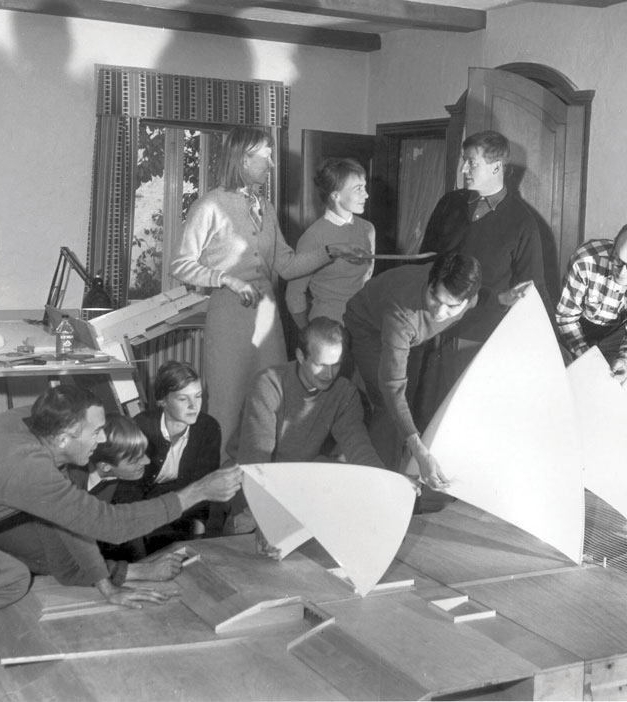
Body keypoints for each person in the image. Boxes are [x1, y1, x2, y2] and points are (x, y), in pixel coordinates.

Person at [170, 127, 368, 459]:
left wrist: (331, 250)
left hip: (267, 317)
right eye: (266, 156)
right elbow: (181, 264)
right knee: (228, 407)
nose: (272, 164)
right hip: (229, 317)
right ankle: (221, 497)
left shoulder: (265, 205)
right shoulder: (210, 205)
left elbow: (287, 266)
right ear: (243, 158)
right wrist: (225, 279)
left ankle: (271, 487)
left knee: (278, 401)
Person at [0, 385, 242, 615]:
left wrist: (107, 587)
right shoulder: (27, 466)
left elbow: (77, 522)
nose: (101, 439)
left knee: (11, 578)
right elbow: (109, 524)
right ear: (64, 438)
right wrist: (198, 491)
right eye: (96, 431)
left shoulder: (36, 424)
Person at [416, 130, 550, 427]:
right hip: (433, 329)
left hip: (478, 339)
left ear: (496, 167)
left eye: (470, 163)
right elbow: (424, 261)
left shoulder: (523, 223)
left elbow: (532, 290)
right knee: (425, 415)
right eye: (464, 161)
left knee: (465, 422)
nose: (463, 169)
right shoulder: (449, 204)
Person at [217, 316, 388, 545]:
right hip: (250, 481)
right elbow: (255, 459)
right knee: (247, 545)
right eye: (320, 364)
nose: (329, 374)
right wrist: (265, 517)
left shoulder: (345, 393)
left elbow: (359, 447)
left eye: (336, 365)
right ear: (300, 356)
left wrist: (389, 486)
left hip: (298, 480)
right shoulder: (268, 384)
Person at [344, 252, 482, 490]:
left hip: (414, 337)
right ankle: (379, 486)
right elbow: (392, 386)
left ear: (466, 300)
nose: (439, 313)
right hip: (369, 327)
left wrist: (503, 298)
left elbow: (483, 299)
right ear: (430, 283)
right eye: (434, 299)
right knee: (388, 406)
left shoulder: (469, 297)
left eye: (451, 307)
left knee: (408, 400)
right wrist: (419, 450)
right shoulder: (401, 311)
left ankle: (399, 474)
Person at [65, 414, 186, 584]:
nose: (147, 461)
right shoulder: (70, 489)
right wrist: (142, 571)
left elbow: (126, 528)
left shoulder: (112, 477)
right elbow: (72, 563)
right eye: (135, 459)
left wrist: (147, 566)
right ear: (105, 466)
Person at [112, 361, 220, 549]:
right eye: (183, 399)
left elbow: (202, 486)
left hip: (181, 509)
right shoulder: (141, 426)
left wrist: (198, 538)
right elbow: (129, 493)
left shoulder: (208, 428)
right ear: (163, 401)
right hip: (140, 510)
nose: (194, 406)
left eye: (198, 396)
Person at [555, 221, 627, 382]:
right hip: (577, 329)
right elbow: (566, 317)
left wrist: (624, 360)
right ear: (614, 245)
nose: (622, 272)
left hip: (616, 335)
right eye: (618, 260)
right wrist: (587, 357)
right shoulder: (585, 259)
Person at [285, 158, 375, 328]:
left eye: (364, 187)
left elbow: (367, 281)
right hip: (328, 326)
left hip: (365, 324)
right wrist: (308, 334)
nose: (366, 194)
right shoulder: (313, 237)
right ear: (335, 195)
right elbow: (294, 295)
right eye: (358, 189)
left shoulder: (367, 229)